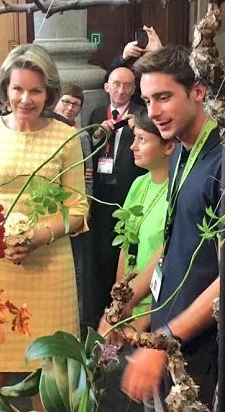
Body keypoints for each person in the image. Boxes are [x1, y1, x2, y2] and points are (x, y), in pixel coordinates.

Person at [121, 46, 225, 409]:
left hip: (202, 349)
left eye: (163, 98)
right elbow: (174, 238)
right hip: (168, 332)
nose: (153, 112)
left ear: (197, 91)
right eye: (147, 100)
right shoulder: (180, 148)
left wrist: (165, 341)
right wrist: (127, 299)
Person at [0, 44, 89, 411]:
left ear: (49, 93)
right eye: (18, 89)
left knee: (51, 379)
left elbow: (78, 208)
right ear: (4, 88)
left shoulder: (66, 137)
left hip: (50, 269)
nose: (25, 99)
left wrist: (36, 237)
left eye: (35, 90)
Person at [98, 108, 175, 337]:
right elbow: (126, 245)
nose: (133, 147)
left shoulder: (177, 191)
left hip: (156, 306)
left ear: (169, 146)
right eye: (134, 138)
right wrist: (117, 301)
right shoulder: (139, 184)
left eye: (142, 140)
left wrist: (143, 314)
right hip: (127, 303)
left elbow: (165, 257)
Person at [85, 66, 146, 328]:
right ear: (107, 87)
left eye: (127, 85)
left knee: (123, 254)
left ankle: (121, 309)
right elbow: (88, 151)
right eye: (116, 84)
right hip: (100, 195)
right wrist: (98, 135)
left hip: (128, 193)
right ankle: (96, 312)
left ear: (134, 89)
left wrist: (136, 129)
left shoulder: (142, 116)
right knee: (98, 253)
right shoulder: (98, 113)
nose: (121, 90)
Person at [53, 83, 93, 326]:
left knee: (75, 270)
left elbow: (88, 178)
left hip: (73, 213)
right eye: (65, 102)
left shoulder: (82, 135)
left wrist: (84, 211)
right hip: (48, 212)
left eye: (75, 104)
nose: (69, 108)